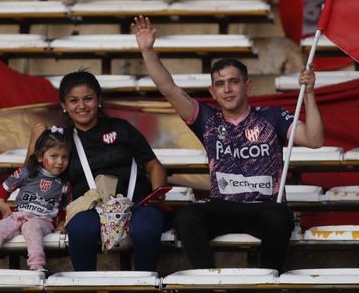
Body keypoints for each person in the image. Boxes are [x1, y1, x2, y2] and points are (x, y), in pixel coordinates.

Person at [132, 15, 324, 271]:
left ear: (248, 86)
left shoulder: (273, 116)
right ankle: (207, 279)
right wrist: (147, 51)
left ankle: (268, 279)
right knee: (187, 216)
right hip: (222, 207)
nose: (227, 89)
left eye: (233, 82)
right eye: (220, 84)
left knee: (280, 217)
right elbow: (168, 88)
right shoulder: (207, 119)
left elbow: (314, 139)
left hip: (264, 208)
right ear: (212, 92)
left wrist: (309, 94)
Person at [29, 70, 167, 271]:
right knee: (81, 228)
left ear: (99, 100)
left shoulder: (121, 128)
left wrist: (157, 192)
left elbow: (154, 166)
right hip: (89, 209)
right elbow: (33, 174)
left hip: (136, 204)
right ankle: (86, 286)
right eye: (73, 100)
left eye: (88, 99)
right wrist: (33, 142)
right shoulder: (62, 140)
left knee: (146, 228)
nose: (82, 106)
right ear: (64, 106)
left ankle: (145, 284)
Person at [0, 127, 72, 271]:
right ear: (40, 156)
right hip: (18, 216)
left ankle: (37, 265)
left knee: (31, 227)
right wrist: (2, 204)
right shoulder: (26, 172)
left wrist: (62, 223)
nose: (60, 162)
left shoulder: (64, 184)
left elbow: (66, 207)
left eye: (65, 157)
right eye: (54, 156)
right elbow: (4, 189)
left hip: (43, 222)